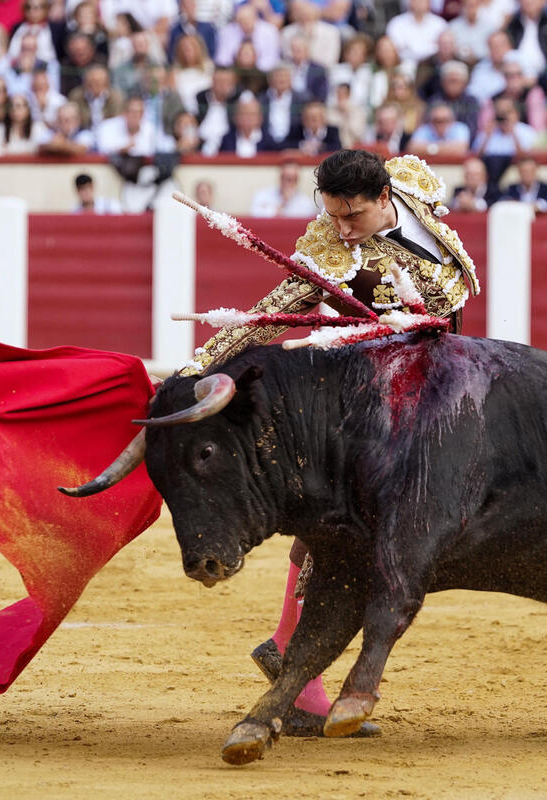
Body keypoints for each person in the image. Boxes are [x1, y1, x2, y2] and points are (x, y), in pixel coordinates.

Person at [192, 149, 479, 736]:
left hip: (434, 382)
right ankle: (298, 665)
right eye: (331, 214)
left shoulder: (414, 178)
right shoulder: (330, 248)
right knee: (352, 525)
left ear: (384, 197)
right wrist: (196, 372)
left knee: (362, 528)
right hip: (368, 397)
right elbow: (266, 317)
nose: (339, 228)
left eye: (352, 216)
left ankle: (286, 647)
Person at [249, 159, 318, 217]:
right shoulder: (263, 195)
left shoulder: (306, 202)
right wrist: (281, 205)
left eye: (291, 179)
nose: (287, 184)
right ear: (280, 177)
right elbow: (255, 213)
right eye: (285, 178)